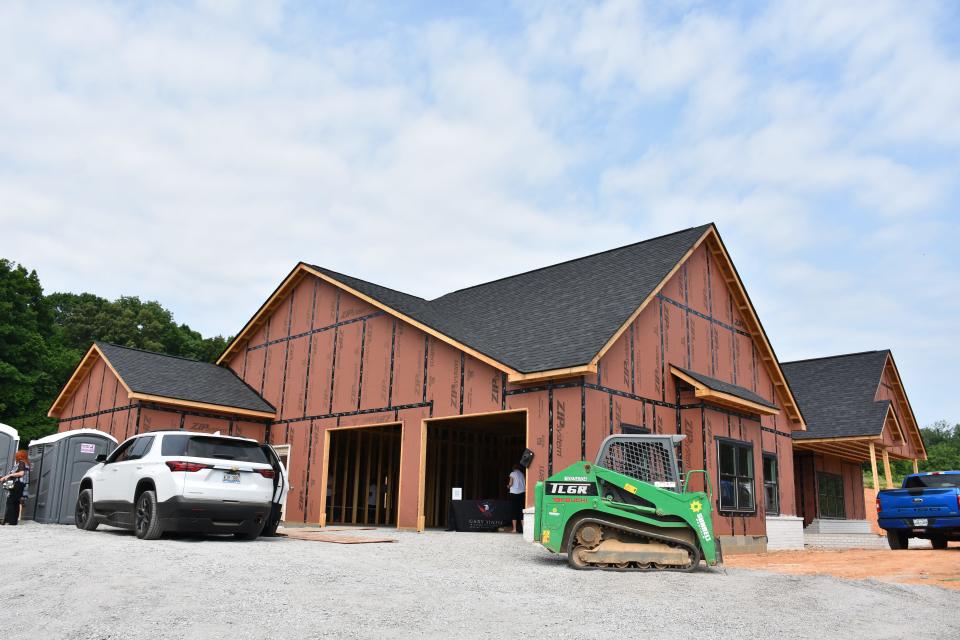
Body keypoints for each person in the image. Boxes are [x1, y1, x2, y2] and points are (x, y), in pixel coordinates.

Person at [1, 451, 30, 526]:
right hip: (19, 484)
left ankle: (8, 521)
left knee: (11, 501)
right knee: (15, 502)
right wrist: (4, 477)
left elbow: (21, 473)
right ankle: (12, 521)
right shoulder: (25, 463)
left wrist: (7, 476)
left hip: (17, 484)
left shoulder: (21, 463)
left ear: (19, 456)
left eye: (16, 455)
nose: (15, 457)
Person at [507, 464, 526, 534]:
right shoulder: (522, 474)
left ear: (513, 469)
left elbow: (511, 483)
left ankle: (514, 529)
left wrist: (508, 486)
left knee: (514, 510)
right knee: (521, 510)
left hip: (514, 494)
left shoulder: (512, 473)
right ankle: (524, 529)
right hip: (522, 493)